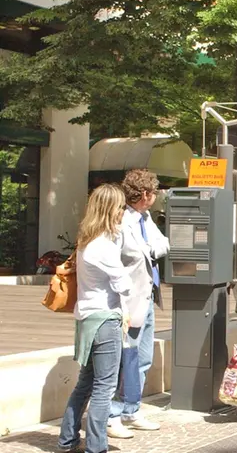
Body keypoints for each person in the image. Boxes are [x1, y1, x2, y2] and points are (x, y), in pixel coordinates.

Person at [58, 184, 132, 453]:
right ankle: (97, 447)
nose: (123, 212)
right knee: (104, 387)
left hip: (87, 319)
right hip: (105, 320)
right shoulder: (104, 246)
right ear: (111, 210)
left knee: (86, 383)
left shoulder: (86, 243)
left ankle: (67, 439)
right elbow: (124, 285)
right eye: (121, 207)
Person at [109, 169, 170, 439]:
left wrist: (153, 248)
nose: (156, 196)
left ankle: (131, 408)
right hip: (127, 302)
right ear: (145, 194)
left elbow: (162, 245)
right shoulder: (121, 221)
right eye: (154, 191)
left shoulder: (146, 219)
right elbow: (123, 259)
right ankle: (113, 414)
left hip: (147, 298)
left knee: (143, 358)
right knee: (125, 360)